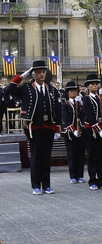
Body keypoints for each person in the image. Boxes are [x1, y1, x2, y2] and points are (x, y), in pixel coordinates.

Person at [5, 60, 62, 195]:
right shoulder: (26, 88)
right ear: (33, 74)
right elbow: (9, 90)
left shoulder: (52, 89)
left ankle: (46, 185)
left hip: (49, 127)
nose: (42, 74)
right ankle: (36, 185)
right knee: (36, 156)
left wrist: (58, 128)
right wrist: (21, 76)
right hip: (33, 127)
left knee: (46, 157)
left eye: (43, 72)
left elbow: (57, 109)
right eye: (38, 72)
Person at [83, 74, 102, 190]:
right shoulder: (86, 98)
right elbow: (88, 115)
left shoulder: (100, 97)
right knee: (92, 155)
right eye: (92, 84)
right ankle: (92, 180)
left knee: (101, 155)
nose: (94, 86)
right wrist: (97, 129)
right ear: (88, 87)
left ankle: (101, 179)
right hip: (92, 130)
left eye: (96, 84)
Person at [61, 81, 86, 184]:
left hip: (81, 131)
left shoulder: (80, 103)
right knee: (72, 154)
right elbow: (66, 119)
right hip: (70, 133)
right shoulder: (65, 104)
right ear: (67, 93)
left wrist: (81, 105)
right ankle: (73, 176)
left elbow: (83, 116)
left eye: (75, 91)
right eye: (71, 91)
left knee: (81, 154)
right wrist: (73, 130)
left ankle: (80, 175)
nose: (73, 93)